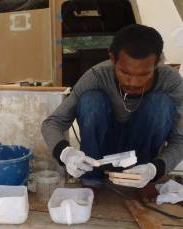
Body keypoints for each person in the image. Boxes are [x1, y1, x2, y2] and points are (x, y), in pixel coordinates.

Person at [42, 24, 183, 189]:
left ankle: (143, 183)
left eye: (144, 74)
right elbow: (52, 123)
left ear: (159, 62)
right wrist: (66, 153)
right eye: (125, 72)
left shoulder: (171, 82)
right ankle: (91, 181)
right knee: (91, 100)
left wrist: (155, 169)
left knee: (161, 104)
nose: (133, 83)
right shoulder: (96, 76)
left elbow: (180, 139)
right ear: (113, 59)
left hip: (142, 157)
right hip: (99, 156)